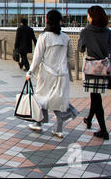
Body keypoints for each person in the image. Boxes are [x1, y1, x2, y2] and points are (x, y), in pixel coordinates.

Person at [27, 10, 79, 139]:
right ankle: (59, 130)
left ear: (47, 20)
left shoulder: (43, 37)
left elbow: (37, 57)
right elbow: (71, 55)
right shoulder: (65, 37)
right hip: (62, 74)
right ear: (60, 21)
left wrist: (30, 72)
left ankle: (38, 123)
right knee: (59, 100)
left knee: (41, 98)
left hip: (47, 73)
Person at [78, 6, 111, 140]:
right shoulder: (108, 32)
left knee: (95, 98)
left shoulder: (85, 31)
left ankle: (104, 130)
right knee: (95, 95)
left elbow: (81, 49)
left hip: (91, 67)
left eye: (88, 15)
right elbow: (110, 50)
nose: (87, 17)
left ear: (92, 17)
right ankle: (88, 119)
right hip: (104, 66)